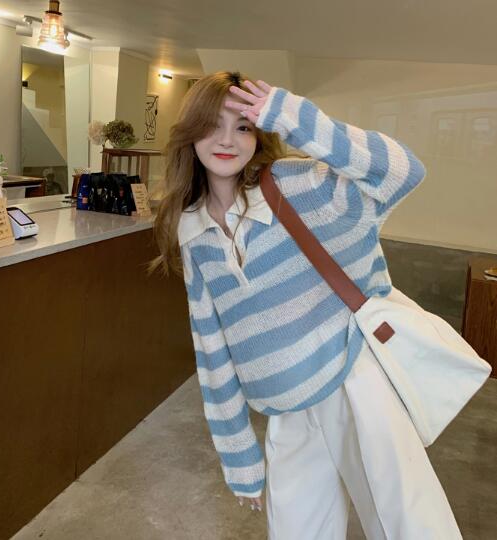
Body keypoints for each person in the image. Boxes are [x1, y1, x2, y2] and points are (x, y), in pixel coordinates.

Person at [148, 71, 463, 539]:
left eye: (243, 126)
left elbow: (402, 172)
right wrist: (239, 457)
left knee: (408, 524)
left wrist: (293, 116)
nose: (227, 140)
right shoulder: (192, 231)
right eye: (212, 125)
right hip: (286, 406)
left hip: (354, 382)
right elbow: (211, 349)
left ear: (260, 134)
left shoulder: (296, 186)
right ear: (190, 133)